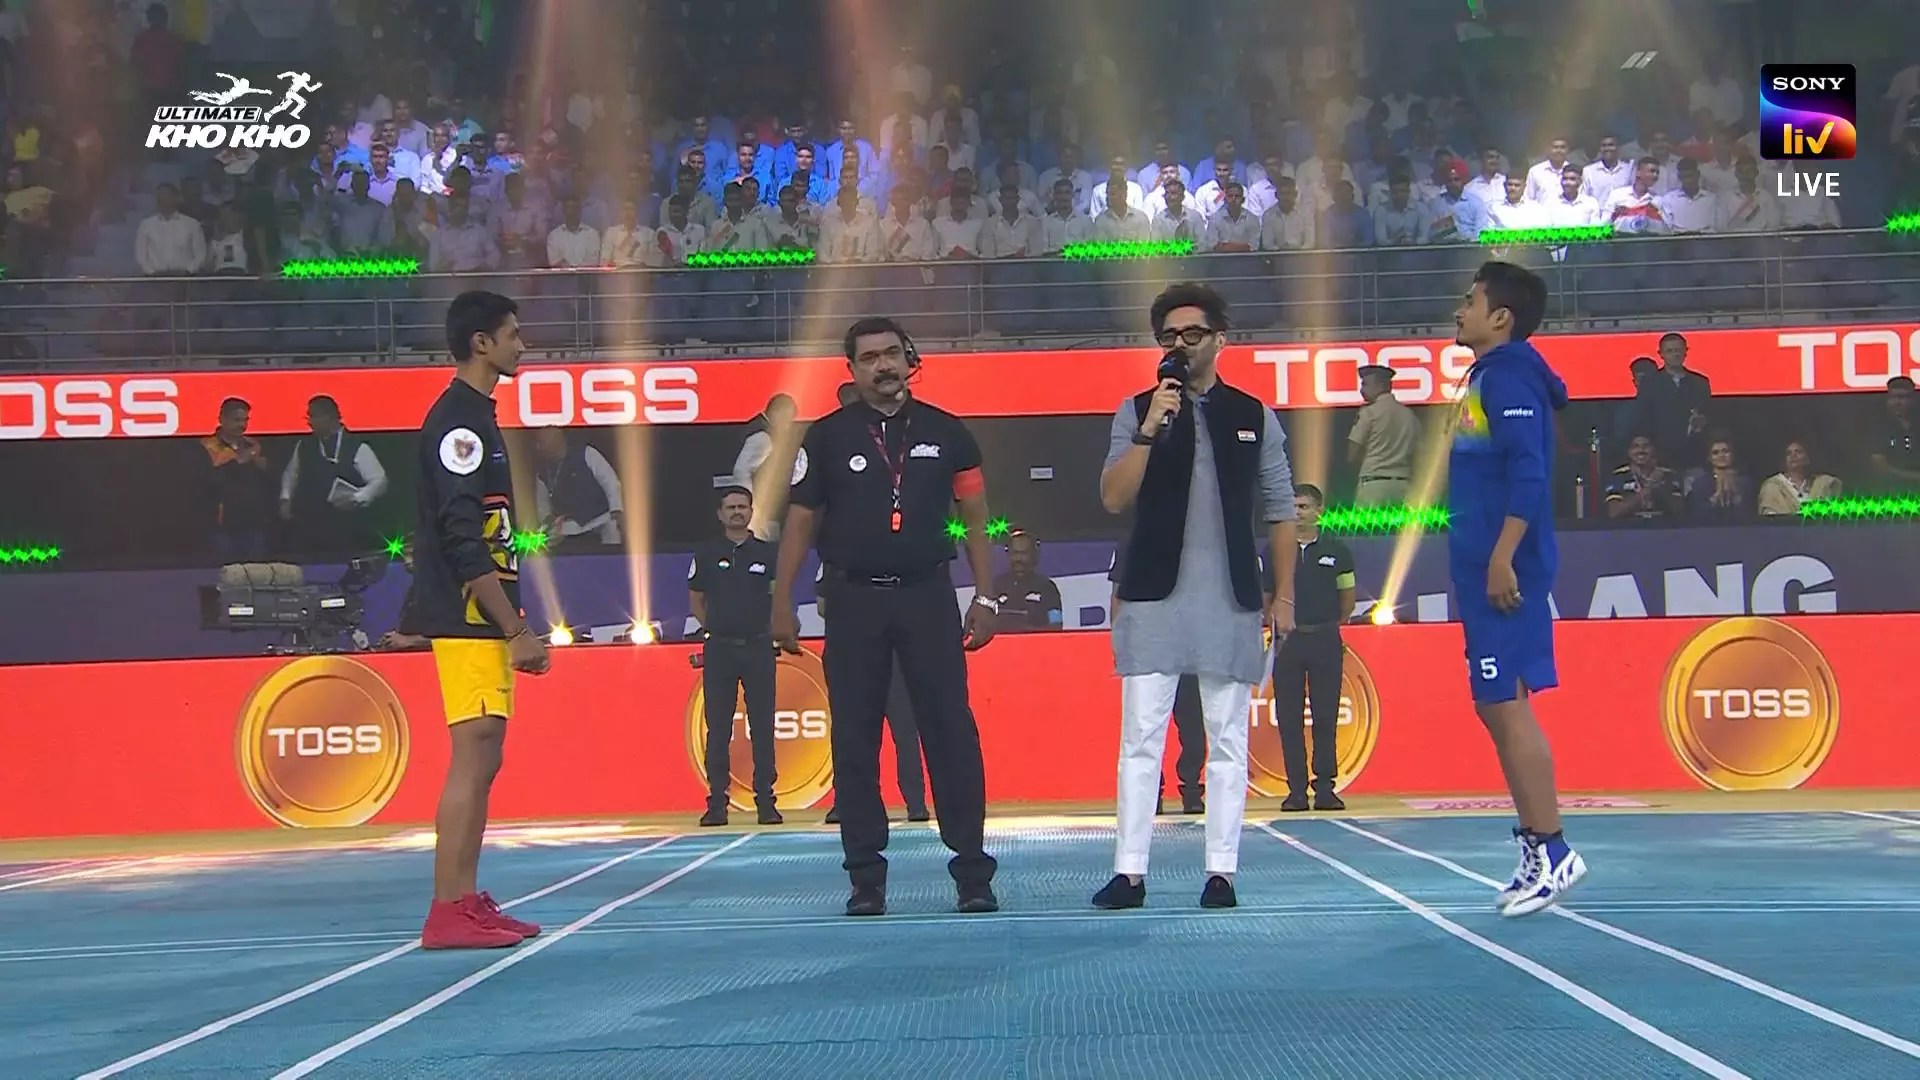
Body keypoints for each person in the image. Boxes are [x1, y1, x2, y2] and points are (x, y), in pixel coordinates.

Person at [772, 315, 1000, 917]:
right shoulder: (825, 438)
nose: (883, 365)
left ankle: (972, 872)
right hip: (853, 601)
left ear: (909, 358)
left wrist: (986, 595)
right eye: (870, 357)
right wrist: (780, 600)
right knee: (854, 737)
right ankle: (866, 879)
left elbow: (976, 516)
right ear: (851, 370)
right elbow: (801, 520)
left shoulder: (948, 432)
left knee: (950, 732)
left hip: (928, 596)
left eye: (892, 353)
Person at [1094, 281, 1297, 912]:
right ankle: (1129, 872)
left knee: (1227, 739)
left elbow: (1281, 509)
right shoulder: (1137, 410)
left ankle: (1221, 872)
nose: (1179, 345)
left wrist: (1284, 595)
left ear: (1219, 340)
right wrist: (1149, 429)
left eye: (1192, 334)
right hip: (1153, 595)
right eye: (1168, 336)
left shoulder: (1254, 415)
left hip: (1231, 596)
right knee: (1140, 739)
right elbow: (1113, 497)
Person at [402, 290, 550, 949]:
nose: (523, 344)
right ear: (481, 343)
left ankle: (465, 897)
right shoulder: (459, 425)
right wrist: (512, 626)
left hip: (481, 616)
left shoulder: (478, 417)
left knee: (487, 755)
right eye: (513, 334)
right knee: (473, 753)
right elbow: (462, 536)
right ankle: (447, 909)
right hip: (467, 617)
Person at [1448, 261, 1586, 918]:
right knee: (1494, 705)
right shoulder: (1489, 376)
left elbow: (1530, 473)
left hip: (1505, 569)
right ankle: (1535, 844)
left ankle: (1555, 849)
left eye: (1470, 301)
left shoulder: (1509, 378)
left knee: (1507, 705)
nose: (1460, 310)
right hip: (1482, 564)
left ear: (1500, 317)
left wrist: (1503, 556)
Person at [689, 486, 782, 827]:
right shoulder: (706, 553)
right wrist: (715, 627)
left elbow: (778, 597)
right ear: (720, 514)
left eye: (742, 506)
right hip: (720, 650)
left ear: (751, 511)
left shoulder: (768, 554)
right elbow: (696, 599)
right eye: (731, 507)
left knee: (763, 726)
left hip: (759, 647)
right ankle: (717, 802)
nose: (737, 512)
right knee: (718, 728)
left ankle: (766, 802)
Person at [816, 559, 931, 825]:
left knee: (902, 731)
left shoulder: (895, 556)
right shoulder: (834, 559)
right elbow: (823, 606)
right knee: (850, 732)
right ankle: (847, 802)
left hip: (889, 657)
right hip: (853, 656)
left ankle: (914, 802)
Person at [1265, 484, 1356, 812]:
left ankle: (1326, 788)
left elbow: (1347, 601)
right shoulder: (1274, 550)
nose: (1298, 512)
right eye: (1293, 507)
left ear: (1319, 511)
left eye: (1304, 506)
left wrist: (1327, 625)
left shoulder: (1338, 550)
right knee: (1289, 718)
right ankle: (1296, 791)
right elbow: (1266, 598)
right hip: (1287, 643)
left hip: (1324, 641)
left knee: (1326, 716)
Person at [1107, 539, 1205, 816]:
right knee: (1146, 727)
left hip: (1189, 650)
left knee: (1194, 728)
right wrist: (1120, 639)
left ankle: (1192, 790)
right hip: (1147, 648)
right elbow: (1119, 597)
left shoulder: (1199, 542)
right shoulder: (1131, 544)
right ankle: (1151, 793)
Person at [987, 530, 1064, 631]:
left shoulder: (1048, 587)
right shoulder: (996, 586)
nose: (1018, 559)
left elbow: (1056, 625)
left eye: (1024, 553)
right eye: (1015, 553)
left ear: (1034, 555)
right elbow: (983, 623)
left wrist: (1026, 632)